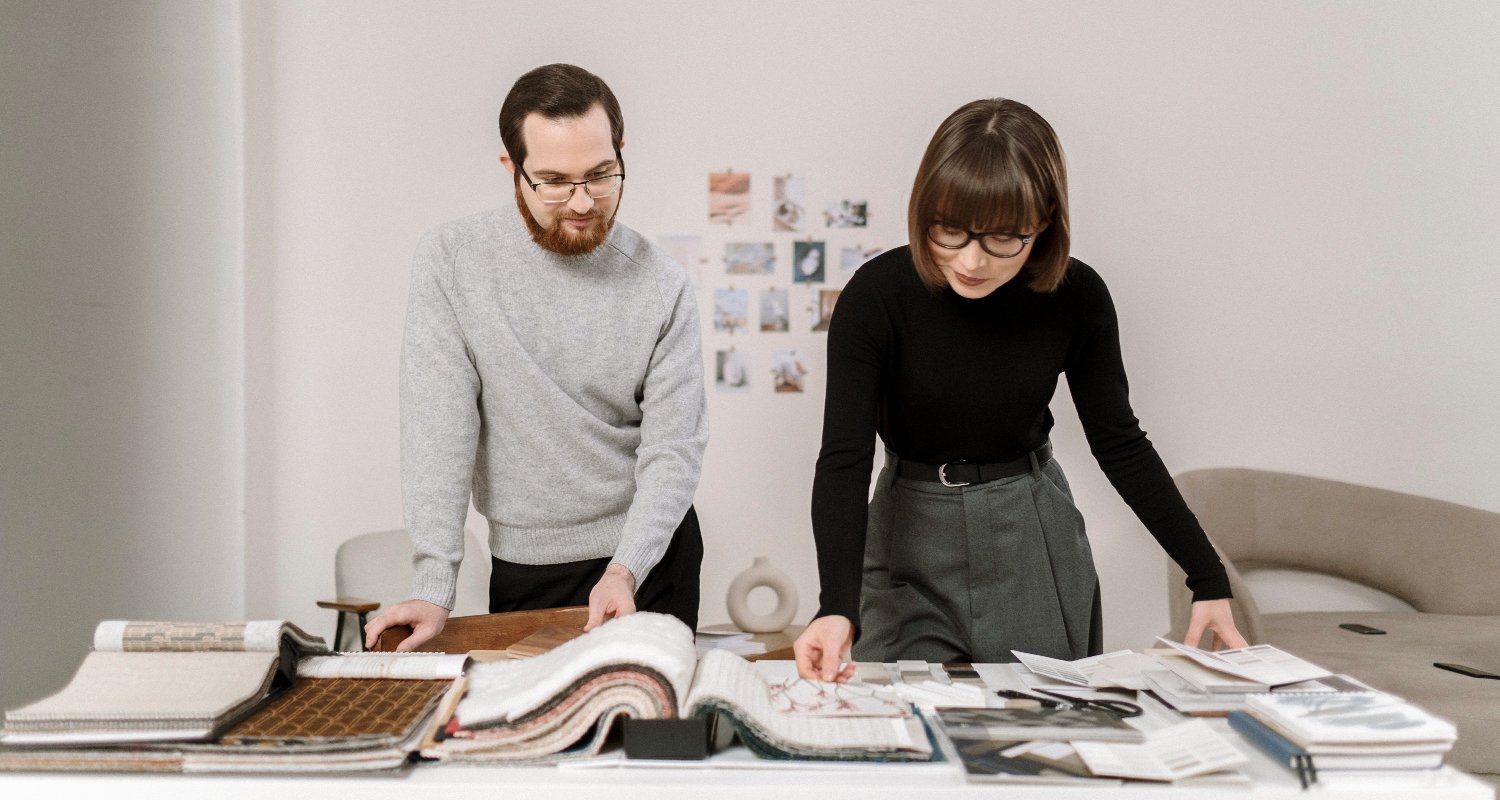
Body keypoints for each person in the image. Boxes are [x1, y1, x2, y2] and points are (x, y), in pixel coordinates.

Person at [793, 98, 1247, 681]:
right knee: (897, 725)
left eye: (1004, 238)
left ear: (1046, 222)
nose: (972, 260)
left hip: (1030, 537)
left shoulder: (1077, 296)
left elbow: (1120, 442)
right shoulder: (876, 296)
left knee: (1048, 733)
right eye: (949, 231)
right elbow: (844, 459)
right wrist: (835, 606)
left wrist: (1206, 577)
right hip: (906, 535)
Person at [365, 64, 708, 651]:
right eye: (553, 180)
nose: (581, 202)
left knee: (647, 735)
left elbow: (673, 448)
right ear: (512, 169)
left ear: (620, 152)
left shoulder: (662, 284)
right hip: (527, 563)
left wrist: (626, 568)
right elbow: (437, 426)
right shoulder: (453, 261)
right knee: (534, 735)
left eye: (601, 175)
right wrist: (434, 582)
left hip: (648, 562)